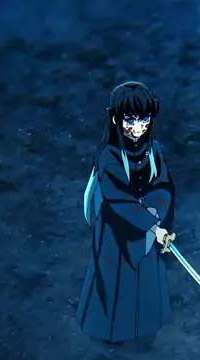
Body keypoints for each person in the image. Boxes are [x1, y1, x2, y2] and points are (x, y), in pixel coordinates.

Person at [77, 81, 175, 344]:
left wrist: (153, 211)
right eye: (130, 120)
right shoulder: (109, 156)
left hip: (148, 221)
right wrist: (151, 224)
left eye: (143, 119)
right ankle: (112, 332)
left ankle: (146, 326)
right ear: (116, 119)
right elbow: (117, 197)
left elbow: (163, 185)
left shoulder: (154, 149)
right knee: (116, 280)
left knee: (146, 276)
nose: (138, 127)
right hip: (116, 229)